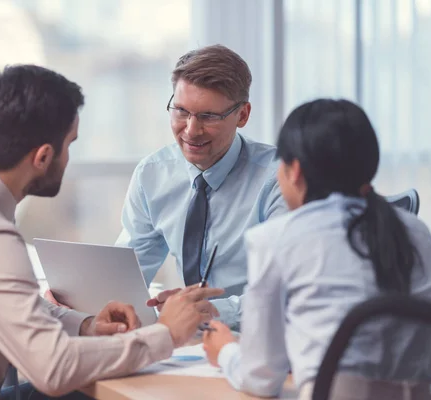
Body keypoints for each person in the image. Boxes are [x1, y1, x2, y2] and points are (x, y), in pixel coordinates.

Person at [0, 65, 223, 400]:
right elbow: (53, 369)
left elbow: (15, 307)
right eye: (69, 144)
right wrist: (166, 334)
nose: (69, 158)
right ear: (43, 156)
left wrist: (86, 325)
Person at [202, 98, 431, 399]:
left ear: (295, 171)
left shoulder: (277, 237)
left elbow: (261, 378)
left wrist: (225, 350)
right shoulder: (415, 231)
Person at [46, 45, 286, 327]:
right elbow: (129, 273)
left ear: (242, 115)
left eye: (208, 117)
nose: (191, 130)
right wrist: (75, 303)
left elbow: (284, 291)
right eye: (181, 111)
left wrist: (207, 311)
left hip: (261, 337)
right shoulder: (153, 175)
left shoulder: (279, 179)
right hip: (187, 343)